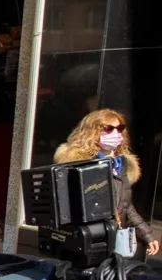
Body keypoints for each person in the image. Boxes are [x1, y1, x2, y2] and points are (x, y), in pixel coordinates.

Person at [55, 108, 158, 257]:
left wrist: (147, 235)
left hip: (113, 239)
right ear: (92, 132)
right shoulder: (78, 165)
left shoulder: (120, 164)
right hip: (87, 241)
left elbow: (125, 205)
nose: (116, 134)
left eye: (120, 128)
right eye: (108, 129)